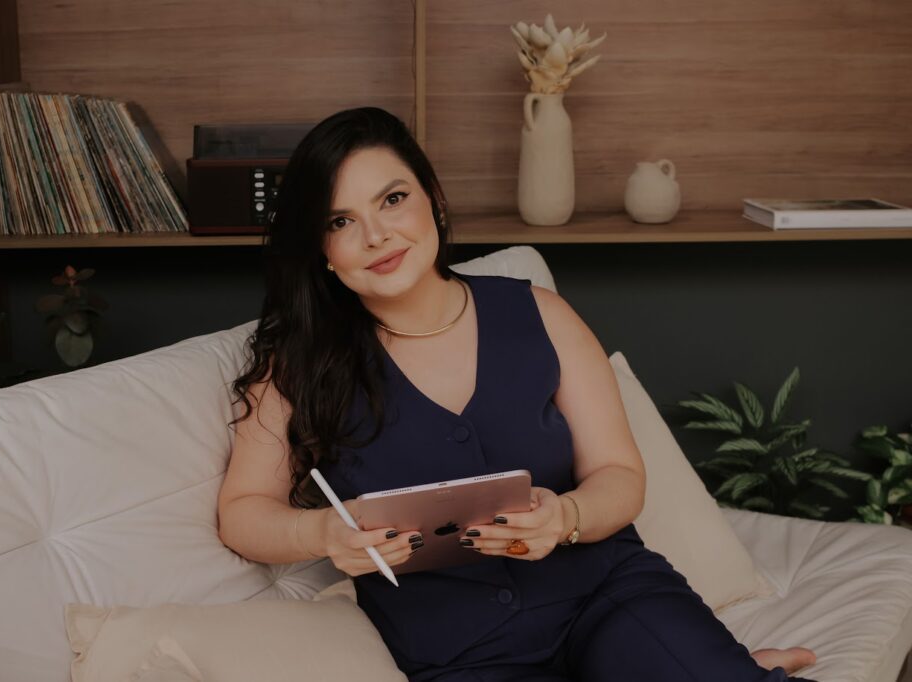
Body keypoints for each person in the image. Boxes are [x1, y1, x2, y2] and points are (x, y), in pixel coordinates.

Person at [216, 106, 818, 681]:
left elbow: (619, 475)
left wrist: (566, 518)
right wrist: (321, 533)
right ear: (321, 249)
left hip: (607, 597)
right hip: (457, 652)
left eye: (392, 199)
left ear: (435, 199)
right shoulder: (296, 363)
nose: (376, 235)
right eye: (340, 221)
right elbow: (243, 511)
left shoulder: (542, 314)